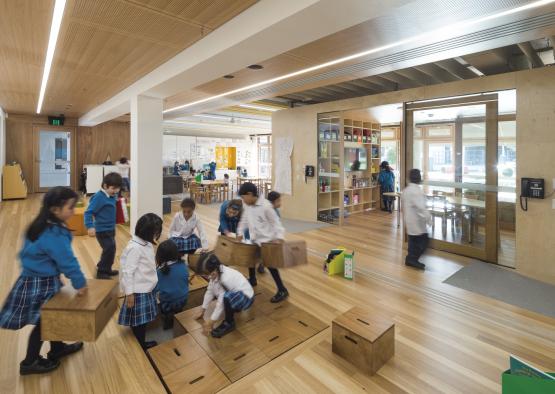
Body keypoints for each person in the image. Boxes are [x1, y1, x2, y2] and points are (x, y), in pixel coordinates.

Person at [0, 187, 88, 375]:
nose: (73, 211)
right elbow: (67, 261)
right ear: (55, 210)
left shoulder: (41, 224)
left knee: (51, 317)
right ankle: (29, 361)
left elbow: (27, 254)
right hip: (41, 283)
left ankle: (57, 349)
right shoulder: (53, 233)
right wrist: (80, 283)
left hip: (34, 278)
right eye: (71, 207)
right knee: (45, 322)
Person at [237, 182, 289, 302]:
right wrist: (239, 233)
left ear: (250, 194)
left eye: (243, 197)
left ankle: (282, 290)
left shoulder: (266, 206)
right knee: (250, 258)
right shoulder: (248, 206)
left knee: (271, 266)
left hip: (267, 241)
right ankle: (253, 279)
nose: (243, 200)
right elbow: (244, 220)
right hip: (255, 239)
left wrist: (280, 237)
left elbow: (276, 223)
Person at [118, 213, 163, 350]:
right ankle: (141, 344)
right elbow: (128, 272)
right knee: (141, 322)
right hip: (138, 290)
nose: (157, 235)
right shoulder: (135, 248)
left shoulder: (144, 243)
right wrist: (130, 294)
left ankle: (139, 338)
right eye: (156, 232)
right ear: (148, 232)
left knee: (138, 319)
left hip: (145, 287)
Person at [195, 253, 253, 338]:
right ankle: (234, 308)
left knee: (226, 297)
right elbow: (210, 291)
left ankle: (229, 323)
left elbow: (221, 302)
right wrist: (202, 309)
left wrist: (211, 321)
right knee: (225, 296)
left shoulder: (225, 279)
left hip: (247, 298)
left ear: (216, 268)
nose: (209, 277)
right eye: (206, 275)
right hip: (237, 295)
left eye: (210, 274)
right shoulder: (216, 273)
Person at [84, 172, 122, 279]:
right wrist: (90, 226)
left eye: (118, 189)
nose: (116, 191)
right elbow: (88, 212)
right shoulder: (99, 197)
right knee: (109, 249)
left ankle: (106, 268)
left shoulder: (111, 196)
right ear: (105, 186)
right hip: (102, 230)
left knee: (111, 249)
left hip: (110, 229)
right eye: (113, 188)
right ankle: (101, 272)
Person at [401, 169, 431, 270]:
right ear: (419, 178)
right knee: (423, 241)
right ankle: (412, 259)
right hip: (416, 221)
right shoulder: (416, 192)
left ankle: (410, 259)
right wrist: (428, 218)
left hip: (409, 220)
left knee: (413, 240)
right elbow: (421, 208)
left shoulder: (406, 190)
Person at [155, 240, 189, 330]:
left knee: (158, 296)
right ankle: (177, 317)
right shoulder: (183, 264)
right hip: (184, 298)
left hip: (168, 302)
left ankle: (167, 321)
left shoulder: (160, 271)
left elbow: (156, 288)